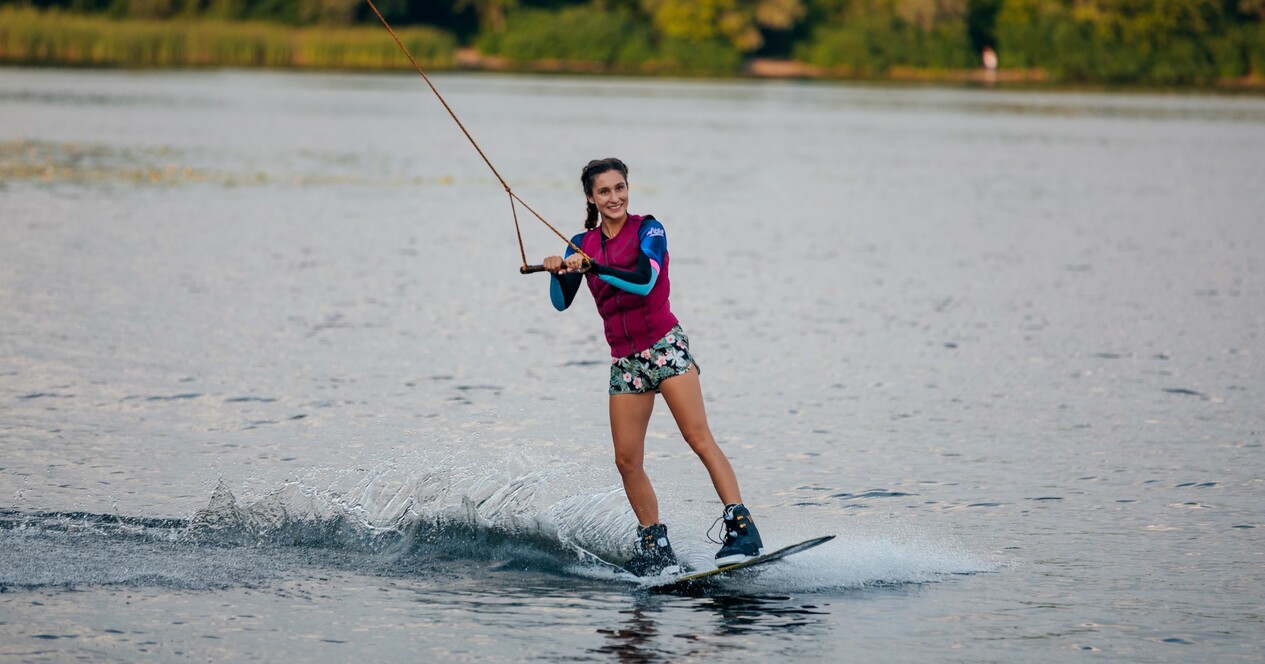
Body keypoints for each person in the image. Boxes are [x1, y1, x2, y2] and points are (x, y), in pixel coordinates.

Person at [542, 157, 763, 577]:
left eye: (620, 188)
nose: (615, 197)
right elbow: (560, 301)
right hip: (625, 362)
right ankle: (654, 544)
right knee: (626, 460)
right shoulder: (580, 243)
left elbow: (644, 280)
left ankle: (743, 529)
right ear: (590, 197)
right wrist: (558, 270)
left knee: (697, 437)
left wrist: (595, 267)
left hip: (665, 348)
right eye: (604, 191)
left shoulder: (649, 229)